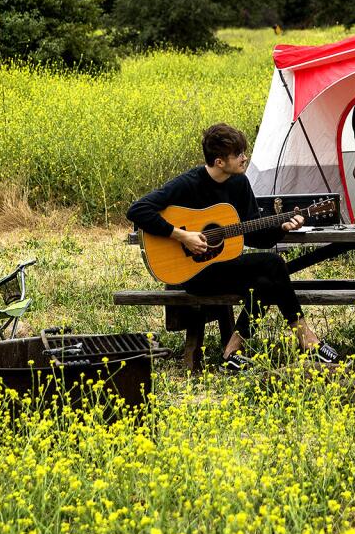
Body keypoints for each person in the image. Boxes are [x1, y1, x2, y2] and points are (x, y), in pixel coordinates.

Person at [127, 123, 341, 373]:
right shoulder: (188, 183)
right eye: (238, 154)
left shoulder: (239, 183)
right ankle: (306, 337)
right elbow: (137, 210)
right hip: (194, 273)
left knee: (267, 279)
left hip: (224, 267)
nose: (245, 158)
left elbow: (254, 237)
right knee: (273, 266)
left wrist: (282, 227)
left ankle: (233, 350)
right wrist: (182, 236)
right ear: (219, 161)